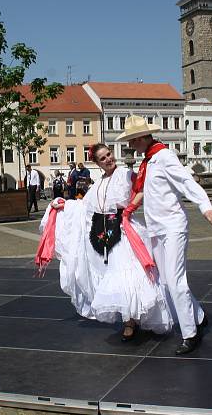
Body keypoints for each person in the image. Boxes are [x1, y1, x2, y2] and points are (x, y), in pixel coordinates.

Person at [37, 143, 173, 339]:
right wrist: (64, 204)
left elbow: (143, 191)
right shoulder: (98, 184)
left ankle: (140, 317)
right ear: (98, 163)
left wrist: (131, 209)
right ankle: (129, 320)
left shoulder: (126, 175)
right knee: (120, 276)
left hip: (127, 230)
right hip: (108, 233)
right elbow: (85, 206)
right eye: (103, 158)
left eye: (108, 155)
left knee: (134, 274)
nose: (108, 159)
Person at [117, 115, 212, 356]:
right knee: (165, 280)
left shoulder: (164, 157)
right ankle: (199, 316)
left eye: (132, 141)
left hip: (173, 226)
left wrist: (206, 206)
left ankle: (190, 333)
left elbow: (186, 182)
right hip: (156, 228)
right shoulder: (149, 161)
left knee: (175, 280)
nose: (130, 146)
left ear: (142, 137)